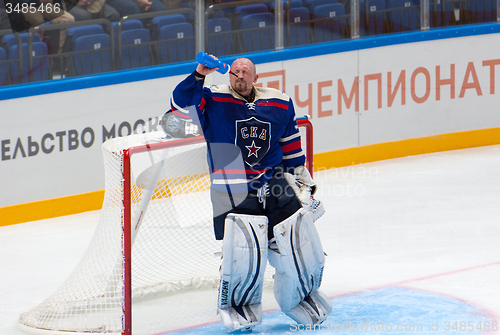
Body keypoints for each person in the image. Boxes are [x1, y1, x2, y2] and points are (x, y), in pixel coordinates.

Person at [170, 55, 332, 331]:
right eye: (235, 72)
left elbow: (290, 142)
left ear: (255, 77)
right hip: (232, 188)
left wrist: (303, 180)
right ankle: (240, 310)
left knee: (300, 244)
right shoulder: (211, 98)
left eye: (245, 72)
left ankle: (302, 297)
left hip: (276, 183)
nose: (240, 76)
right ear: (229, 75)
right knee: (244, 256)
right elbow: (179, 109)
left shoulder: (278, 101)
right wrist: (199, 74)